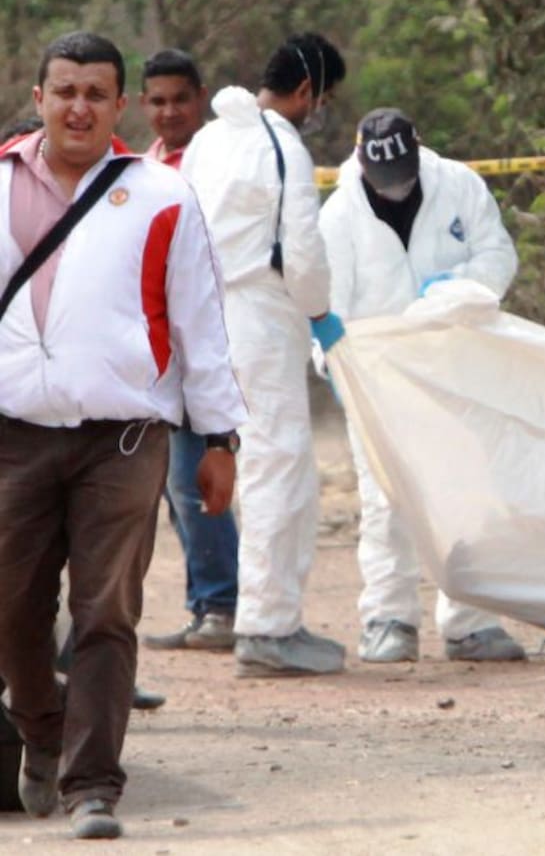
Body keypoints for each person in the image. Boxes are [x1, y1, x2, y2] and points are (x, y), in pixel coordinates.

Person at [0, 31, 245, 839]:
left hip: (126, 437)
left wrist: (218, 440)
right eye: (64, 91)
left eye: (96, 94)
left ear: (120, 106)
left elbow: (200, 324)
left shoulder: (160, 196)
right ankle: (41, 731)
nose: (79, 106)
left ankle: (92, 785)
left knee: (105, 610)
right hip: (14, 434)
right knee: (12, 608)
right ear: (39, 98)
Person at [318, 108, 526, 662]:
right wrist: (333, 365)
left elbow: (498, 256)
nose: (395, 190)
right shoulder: (339, 216)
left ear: (419, 150)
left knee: (469, 491)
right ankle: (387, 619)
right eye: (384, 182)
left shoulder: (459, 186)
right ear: (361, 162)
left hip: (457, 367)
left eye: (404, 178)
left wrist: (452, 288)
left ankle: (471, 622)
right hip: (378, 379)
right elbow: (324, 303)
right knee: (386, 499)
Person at [182, 33, 348, 678]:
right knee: (279, 467)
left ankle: (256, 616)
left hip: (205, 316)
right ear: (307, 91)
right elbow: (302, 253)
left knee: (238, 462)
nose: (319, 110)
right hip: (260, 315)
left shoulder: (210, 138)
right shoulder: (284, 147)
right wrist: (319, 313)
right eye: (323, 99)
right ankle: (269, 627)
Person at [137, 48, 241, 653]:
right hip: (159, 354)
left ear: (200, 97)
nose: (169, 110)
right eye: (158, 100)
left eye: (180, 98)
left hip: (201, 348)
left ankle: (222, 605)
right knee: (178, 488)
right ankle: (210, 601)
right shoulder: (145, 166)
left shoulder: (211, 162)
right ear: (143, 105)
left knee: (194, 480)